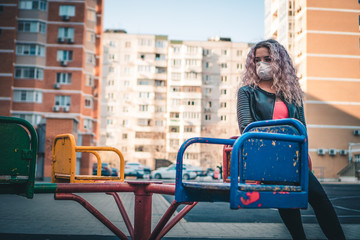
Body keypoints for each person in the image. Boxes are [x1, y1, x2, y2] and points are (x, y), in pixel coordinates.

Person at [237, 39, 345, 240]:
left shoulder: (292, 93)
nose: (261, 64)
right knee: (287, 200)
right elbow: (246, 127)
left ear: (279, 61)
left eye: (267, 59)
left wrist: (302, 155)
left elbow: (302, 129)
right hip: (265, 157)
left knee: (320, 198)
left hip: (293, 158)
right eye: (257, 60)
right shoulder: (247, 92)